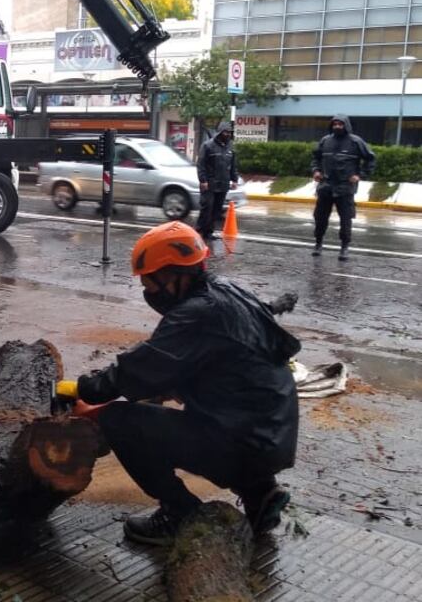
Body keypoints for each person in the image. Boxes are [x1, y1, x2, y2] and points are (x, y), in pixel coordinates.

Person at [56, 221, 300, 546]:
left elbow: (138, 369)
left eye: (150, 282)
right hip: (271, 436)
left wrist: (83, 389)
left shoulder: (197, 314)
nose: (148, 292)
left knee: (119, 421)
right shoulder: (225, 291)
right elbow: (188, 371)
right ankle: (262, 494)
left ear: (174, 274)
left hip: (245, 441)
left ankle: (179, 513)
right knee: (170, 407)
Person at [311, 115, 376, 261]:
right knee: (320, 218)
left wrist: (360, 175)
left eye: (340, 124)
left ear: (346, 125)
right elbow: (316, 158)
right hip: (326, 187)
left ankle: (344, 248)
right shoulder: (325, 141)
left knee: (346, 220)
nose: (337, 126)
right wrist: (316, 170)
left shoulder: (356, 142)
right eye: (335, 124)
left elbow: (370, 159)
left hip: (345, 188)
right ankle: (318, 244)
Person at [195, 121, 239, 240]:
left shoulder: (230, 146)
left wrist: (235, 179)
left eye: (229, 132)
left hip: (223, 183)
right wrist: (203, 180)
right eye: (225, 132)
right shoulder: (208, 146)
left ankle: (209, 232)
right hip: (209, 183)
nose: (227, 134)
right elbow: (201, 164)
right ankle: (199, 230)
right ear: (219, 132)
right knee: (207, 207)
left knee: (217, 209)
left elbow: (233, 165)